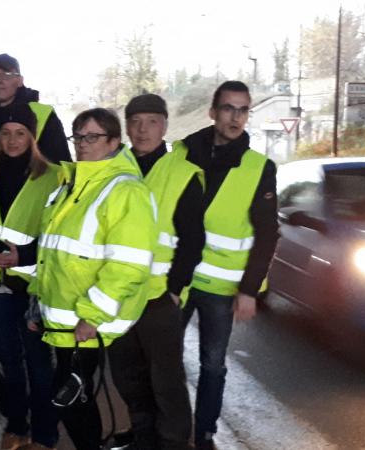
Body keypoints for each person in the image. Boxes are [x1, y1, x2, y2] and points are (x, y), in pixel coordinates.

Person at [33, 108, 156, 450]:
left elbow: (129, 265)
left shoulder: (125, 191)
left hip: (84, 319)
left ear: (115, 142)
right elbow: (52, 252)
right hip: (61, 318)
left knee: (73, 398)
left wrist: (93, 314)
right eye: (78, 136)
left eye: (93, 137)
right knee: (75, 396)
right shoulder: (72, 184)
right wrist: (36, 301)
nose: (83, 144)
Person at [168, 81, 279, 450]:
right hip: (176, 279)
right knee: (164, 360)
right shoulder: (182, 153)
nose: (236, 117)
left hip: (220, 287)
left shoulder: (258, 167)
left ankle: (204, 434)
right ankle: (170, 428)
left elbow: (267, 233)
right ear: (212, 112)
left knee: (213, 366)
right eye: (229, 109)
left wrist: (249, 290)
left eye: (243, 110)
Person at [107, 94, 201, 450]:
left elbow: (192, 240)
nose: (143, 129)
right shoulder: (112, 167)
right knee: (128, 377)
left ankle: (174, 443)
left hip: (159, 298)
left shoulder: (182, 172)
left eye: (151, 121)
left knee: (167, 382)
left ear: (164, 125)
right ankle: (144, 439)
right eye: (136, 122)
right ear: (126, 126)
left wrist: (175, 289)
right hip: (117, 295)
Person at [0, 105, 60, 450]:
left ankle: (46, 433)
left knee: (38, 362)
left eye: (21, 132)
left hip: (31, 283)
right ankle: (17, 425)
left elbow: (58, 231)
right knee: (8, 363)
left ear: (32, 137)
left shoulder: (53, 177)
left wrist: (27, 255)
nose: (12, 139)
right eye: (5, 133)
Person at [0, 54, 71, 181]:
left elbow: (62, 164)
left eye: (6, 75)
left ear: (19, 81)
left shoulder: (42, 114)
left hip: (37, 197)